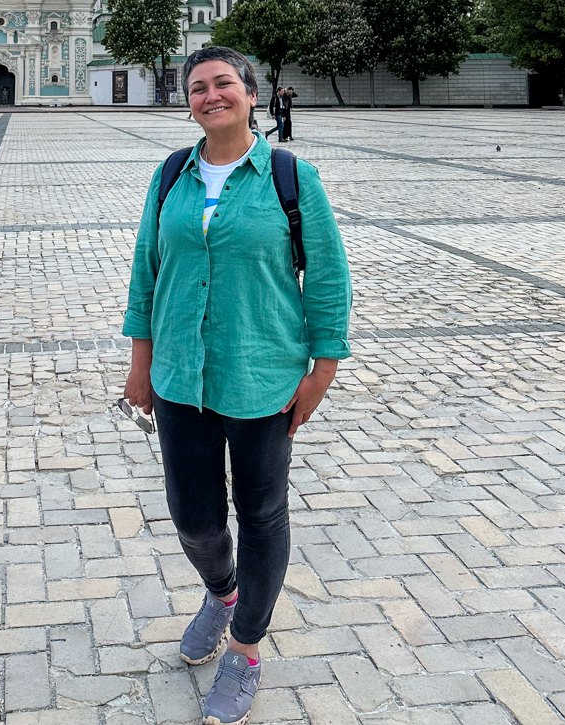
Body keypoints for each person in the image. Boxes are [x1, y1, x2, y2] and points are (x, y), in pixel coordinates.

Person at [122, 46, 351, 725]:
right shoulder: (171, 175)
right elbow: (147, 271)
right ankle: (221, 592)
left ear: (253, 95)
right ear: (187, 101)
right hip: (178, 380)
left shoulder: (290, 176)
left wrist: (322, 372)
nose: (211, 95)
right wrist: (140, 364)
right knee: (194, 517)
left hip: (262, 377)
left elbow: (330, 280)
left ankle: (246, 647)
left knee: (261, 516)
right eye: (198, 87)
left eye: (224, 83)